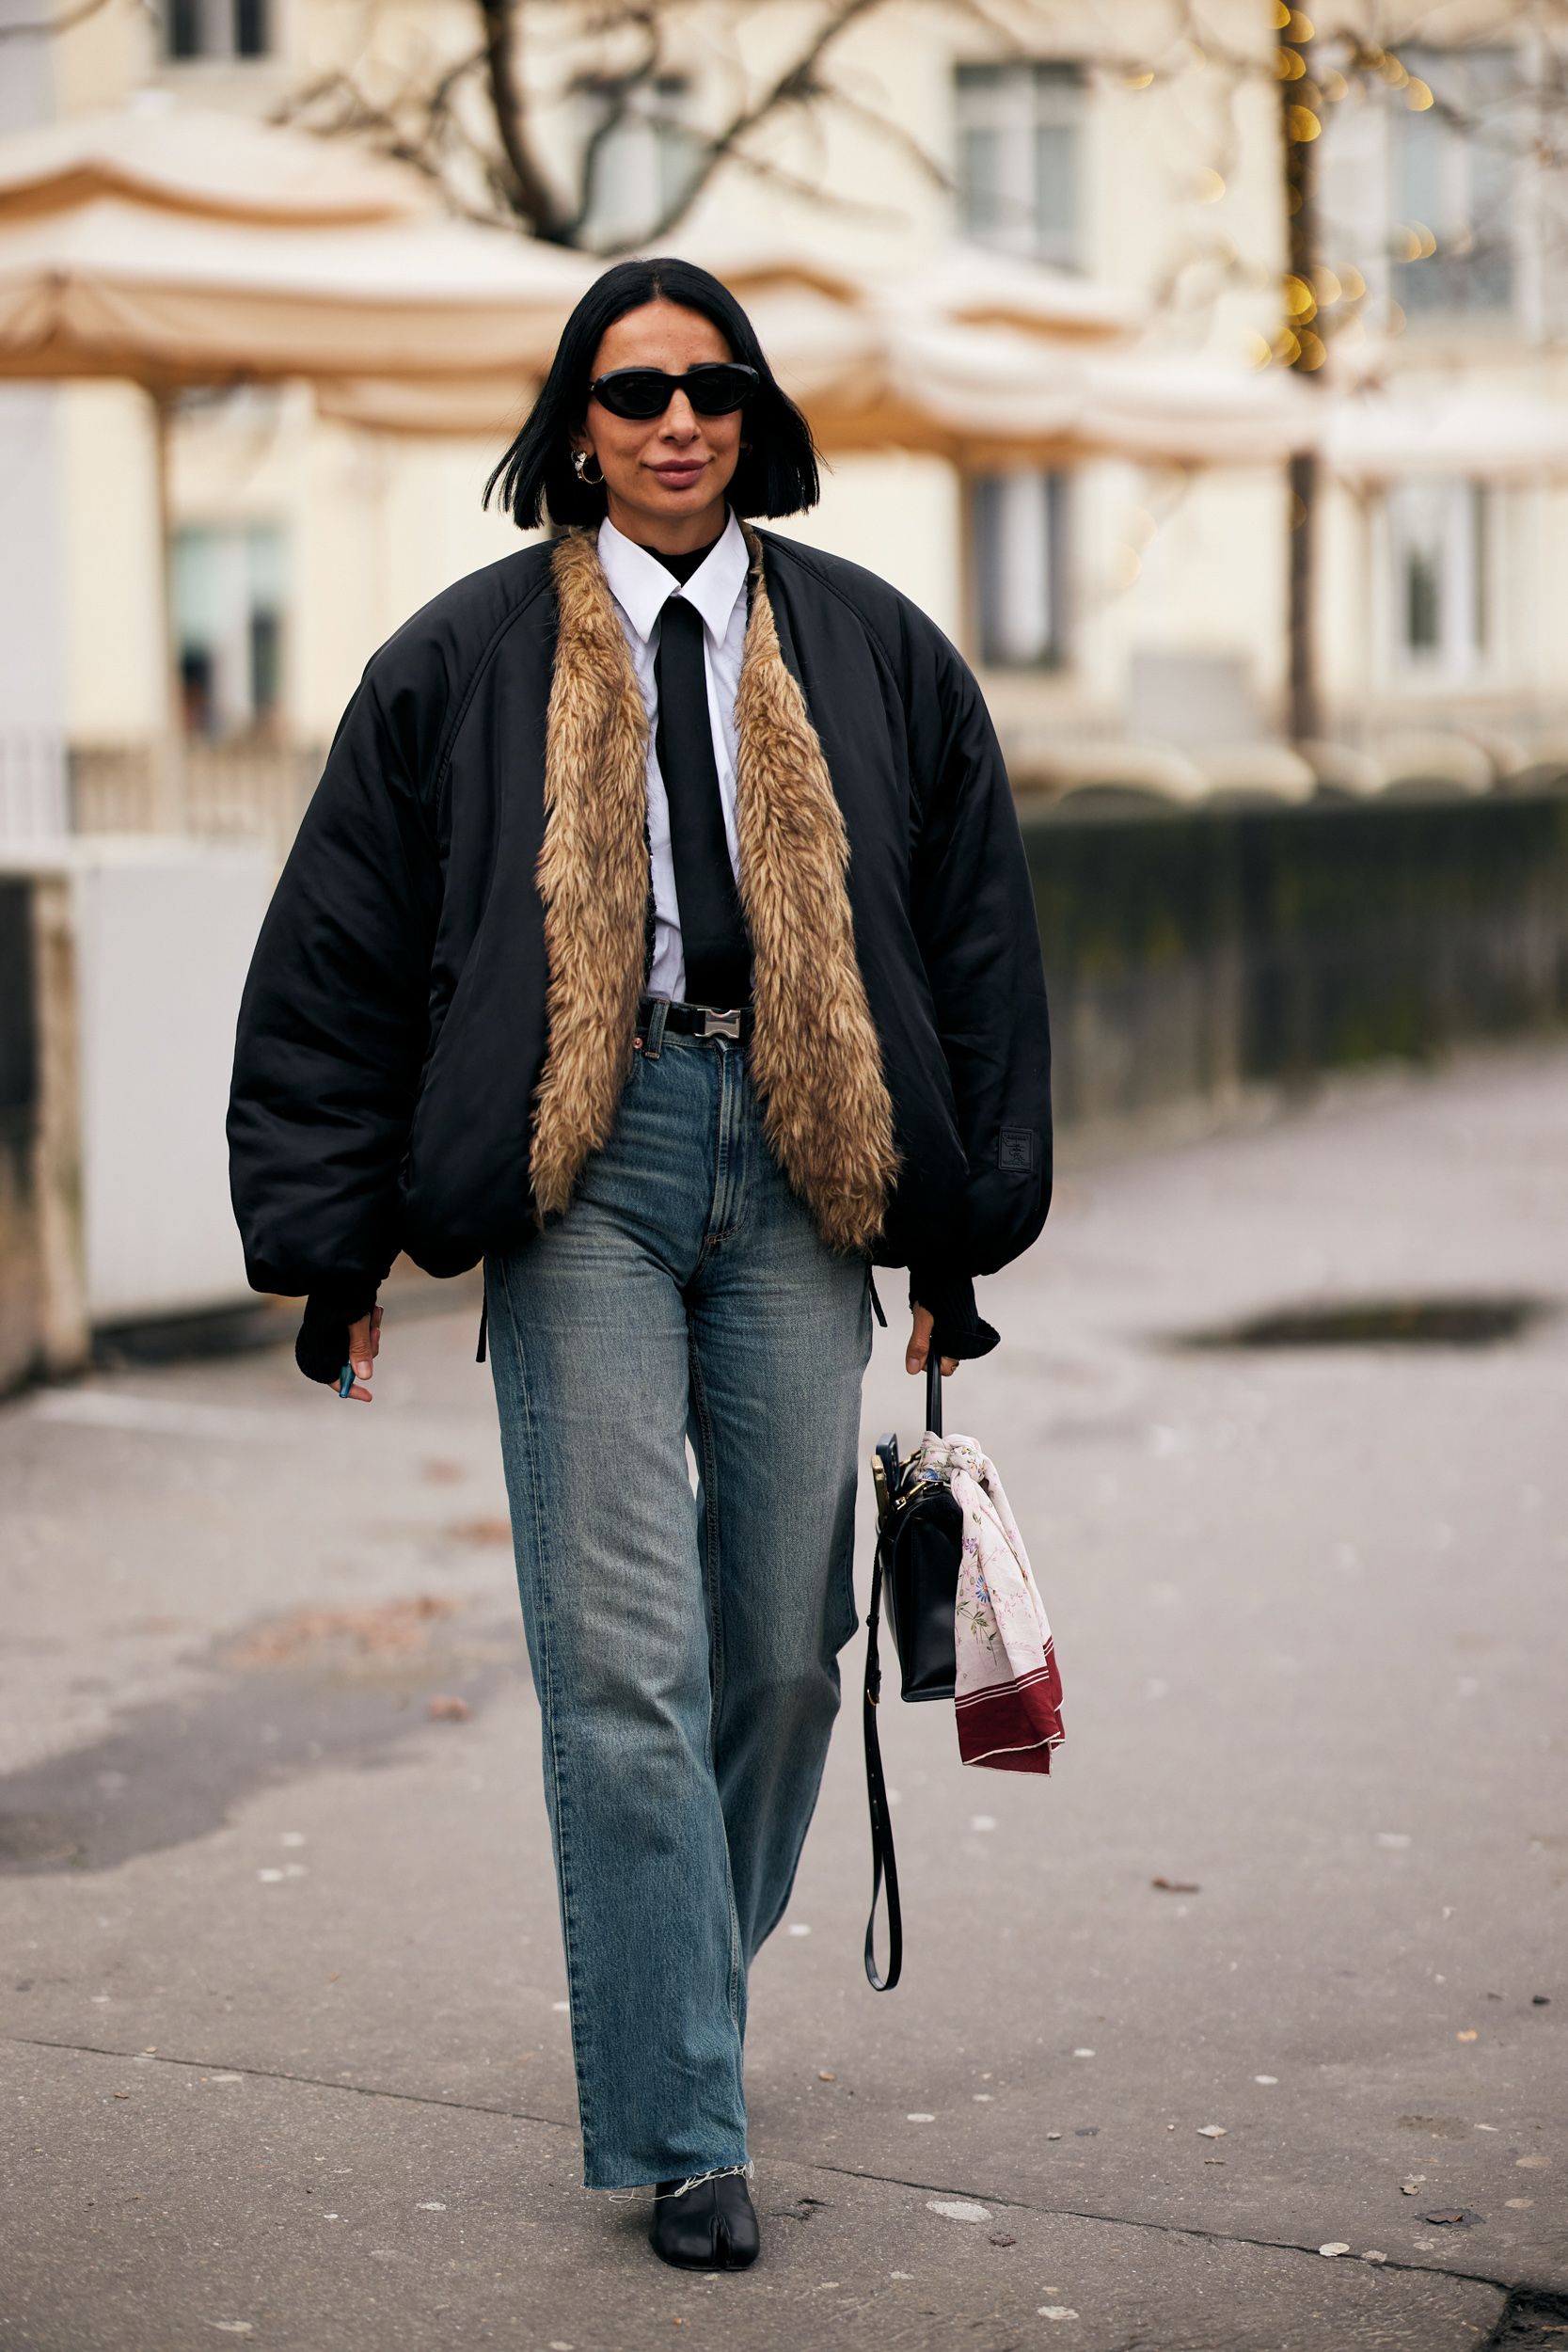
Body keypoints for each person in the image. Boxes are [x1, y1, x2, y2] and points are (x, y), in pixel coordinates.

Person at [228, 257, 1051, 2272]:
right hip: (578, 1170)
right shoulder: (458, 664)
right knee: (624, 1667)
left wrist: (960, 1229)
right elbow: (336, 961)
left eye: (708, 388)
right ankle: (690, 2118)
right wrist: (330, 1252)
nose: (673, 421)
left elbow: (976, 951)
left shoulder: (876, 653)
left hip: (802, 1164)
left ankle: (685, 1969)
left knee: (778, 1646)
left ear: (754, 417)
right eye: (632, 390)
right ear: (575, 423)